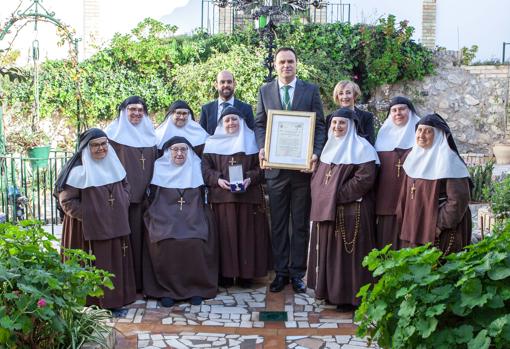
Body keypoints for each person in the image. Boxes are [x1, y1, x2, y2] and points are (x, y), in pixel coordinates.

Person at [254, 47, 326, 293]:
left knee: (299, 224)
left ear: (297, 64)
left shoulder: (311, 90)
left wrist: (315, 152)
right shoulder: (265, 91)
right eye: (282, 61)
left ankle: (297, 273)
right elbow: (260, 123)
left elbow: (320, 126)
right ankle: (280, 272)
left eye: (290, 61)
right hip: (275, 170)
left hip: (301, 171)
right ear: (275, 65)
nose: (286, 65)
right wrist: (262, 148)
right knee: (278, 224)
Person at [307, 108, 379, 311]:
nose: (337, 127)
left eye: (342, 124)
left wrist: (333, 195)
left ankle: (351, 297)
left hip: (352, 212)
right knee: (330, 255)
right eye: (334, 123)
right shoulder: (328, 148)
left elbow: (364, 180)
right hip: (329, 212)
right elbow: (318, 179)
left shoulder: (363, 148)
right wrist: (325, 195)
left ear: (352, 126)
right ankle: (330, 292)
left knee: (350, 256)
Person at [56, 128, 136, 309]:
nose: (101, 148)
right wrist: (95, 215)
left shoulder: (114, 165)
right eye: (95, 145)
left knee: (114, 263)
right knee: (95, 265)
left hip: (115, 226)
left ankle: (116, 300)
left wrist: (122, 201)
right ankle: (94, 302)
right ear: (86, 148)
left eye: (103, 144)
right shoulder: (78, 172)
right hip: (88, 231)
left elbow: (126, 186)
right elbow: (67, 201)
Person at [143, 136, 218, 307]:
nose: (179, 153)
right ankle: (166, 291)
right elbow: (154, 201)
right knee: (165, 242)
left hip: (193, 217)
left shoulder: (195, 170)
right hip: (164, 218)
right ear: (168, 153)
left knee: (195, 241)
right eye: (175, 150)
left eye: (183, 150)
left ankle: (195, 289)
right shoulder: (159, 170)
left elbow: (201, 201)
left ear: (189, 153)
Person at [202, 106, 271, 288]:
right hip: (222, 199)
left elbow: (261, 168)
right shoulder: (212, 143)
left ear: (241, 122)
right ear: (221, 123)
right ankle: (225, 275)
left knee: (247, 237)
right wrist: (218, 180)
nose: (231, 123)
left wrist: (250, 178)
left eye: (234, 120)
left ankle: (246, 275)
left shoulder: (253, 143)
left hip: (248, 199)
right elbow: (205, 169)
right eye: (227, 120)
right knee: (225, 238)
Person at [397, 113, 472, 254]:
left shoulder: (449, 161)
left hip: (440, 231)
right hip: (416, 226)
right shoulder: (412, 157)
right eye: (419, 130)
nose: (421, 135)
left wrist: (438, 225)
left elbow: (458, 200)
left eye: (428, 131)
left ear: (438, 135)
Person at [106, 96, 157, 292]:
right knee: (126, 244)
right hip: (123, 201)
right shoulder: (112, 136)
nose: (136, 113)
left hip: (148, 201)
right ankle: (125, 285)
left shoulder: (151, 137)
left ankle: (144, 283)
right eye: (131, 109)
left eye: (140, 110)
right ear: (123, 111)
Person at [374, 96, 420, 249]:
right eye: (394, 110)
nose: (397, 113)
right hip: (386, 200)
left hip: (412, 200)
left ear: (410, 111)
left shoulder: (420, 137)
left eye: (402, 109)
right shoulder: (382, 137)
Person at [200, 70, 255, 135]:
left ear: (234, 84)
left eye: (229, 82)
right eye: (222, 82)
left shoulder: (246, 109)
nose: (226, 85)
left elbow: (251, 134)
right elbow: (201, 135)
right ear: (216, 85)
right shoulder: (206, 109)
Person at [332, 80, 375, 145]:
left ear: (354, 95)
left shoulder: (367, 117)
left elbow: (370, 143)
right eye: (341, 93)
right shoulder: (331, 118)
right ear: (337, 97)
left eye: (348, 93)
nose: (344, 96)